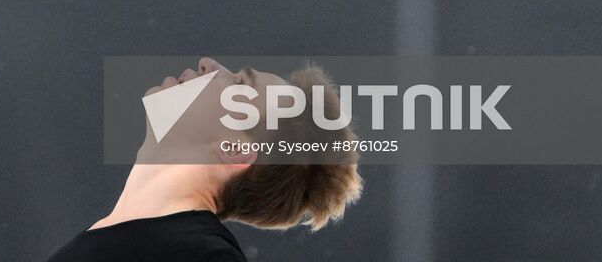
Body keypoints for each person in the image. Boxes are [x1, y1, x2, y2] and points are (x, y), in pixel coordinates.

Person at [42, 58, 362, 261]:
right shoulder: (87, 247)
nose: (209, 64)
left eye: (237, 84)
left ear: (235, 148)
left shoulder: (202, 256)